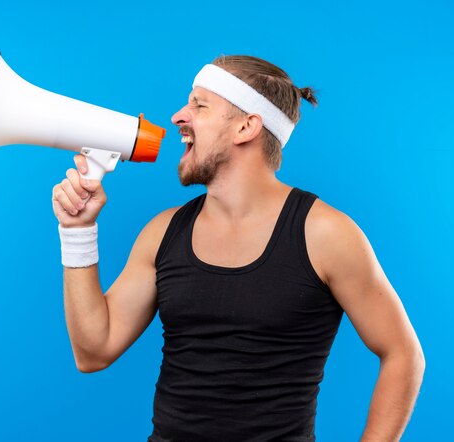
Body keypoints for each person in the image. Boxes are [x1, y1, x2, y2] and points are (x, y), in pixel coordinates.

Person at [51, 55, 425, 442]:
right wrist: (78, 230)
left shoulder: (326, 234)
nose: (179, 116)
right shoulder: (163, 232)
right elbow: (93, 351)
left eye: (199, 104)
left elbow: (403, 354)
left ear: (246, 126)